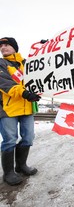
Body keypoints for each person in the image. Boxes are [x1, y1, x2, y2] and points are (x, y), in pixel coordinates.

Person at [0, 37, 41, 186]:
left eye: (6, 45)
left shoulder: (26, 63)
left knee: (28, 137)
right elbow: (4, 83)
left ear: (14, 47)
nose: (3, 47)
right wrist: (25, 93)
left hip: (27, 107)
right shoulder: (1, 63)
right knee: (10, 139)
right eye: (1, 46)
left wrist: (45, 50)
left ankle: (21, 166)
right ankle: (9, 173)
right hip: (7, 108)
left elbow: (41, 71)